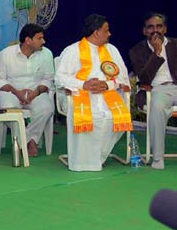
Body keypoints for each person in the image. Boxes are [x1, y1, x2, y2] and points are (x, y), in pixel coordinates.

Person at [55, 14, 132, 172]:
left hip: (107, 95)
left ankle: (99, 157)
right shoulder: (72, 50)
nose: (109, 34)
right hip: (80, 95)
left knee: (113, 118)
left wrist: (107, 84)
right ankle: (84, 162)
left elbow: (123, 76)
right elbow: (60, 78)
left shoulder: (112, 50)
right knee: (93, 117)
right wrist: (85, 84)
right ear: (96, 32)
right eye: (106, 30)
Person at [0, 23, 55, 157]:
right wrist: (17, 92)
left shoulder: (46, 54)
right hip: (11, 92)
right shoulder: (6, 54)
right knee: (8, 109)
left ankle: (27, 139)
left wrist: (36, 92)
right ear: (28, 40)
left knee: (47, 109)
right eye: (39, 38)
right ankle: (29, 140)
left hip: (35, 92)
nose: (43, 41)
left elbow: (48, 79)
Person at [128, 12, 177, 170]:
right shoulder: (137, 51)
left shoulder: (175, 45)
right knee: (157, 107)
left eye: (159, 26)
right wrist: (156, 52)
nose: (155, 30)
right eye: (150, 27)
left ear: (165, 29)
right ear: (144, 31)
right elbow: (145, 78)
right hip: (158, 89)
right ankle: (158, 159)